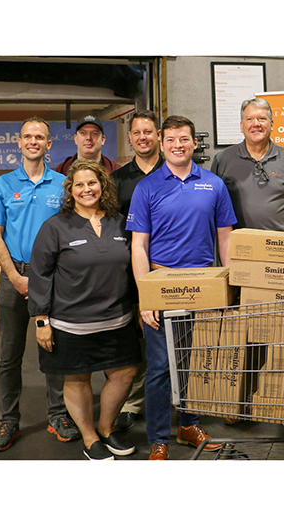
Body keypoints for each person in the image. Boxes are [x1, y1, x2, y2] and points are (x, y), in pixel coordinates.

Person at [127, 115, 237, 460]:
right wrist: (146, 297)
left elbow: (226, 238)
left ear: (194, 143)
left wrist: (229, 286)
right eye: (171, 139)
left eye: (184, 139)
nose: (178, 145)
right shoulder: (146, 188)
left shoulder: (214, 184)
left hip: (203, 283)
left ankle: (190, 425)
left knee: (195, 360)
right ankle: (159, 438)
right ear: (162, 143)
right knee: (160, 366)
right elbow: (139, 246)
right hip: (162, 284)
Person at [28, 160, 141, 460]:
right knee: (77, 379)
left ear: (102, 185)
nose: (86, 189)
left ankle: (105, 428)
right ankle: (89, 437)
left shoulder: (119, 222)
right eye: (79, 184)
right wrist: (42, 321)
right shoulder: (56, 226)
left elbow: (134, 266)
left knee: (126, 372)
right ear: (71, 190)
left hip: (118, 319)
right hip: (71, 324)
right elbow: (40, 274)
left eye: (92, 183)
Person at [0, 116, 77, 452]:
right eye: (28, 136)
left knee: (52, 349)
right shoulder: (3, 184)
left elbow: (70, 231)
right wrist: (13, 276)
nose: (34, 141)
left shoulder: (62, 184)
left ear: (49, 144)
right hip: (13, 275)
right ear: (20, 143)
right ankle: (9, 421)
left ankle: (58, 416)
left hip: (51, 277)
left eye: (40, 137)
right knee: (9, 356)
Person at [111, 110, 164, 433]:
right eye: (137, 132)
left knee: (169, 339)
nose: (143, 137)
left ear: (158, 135)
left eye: (148, 131)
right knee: (135, 342)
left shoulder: (173, 170)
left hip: (170, 269)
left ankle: (174, 401)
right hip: (129, 271)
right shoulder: (118, 180)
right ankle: (132, 403)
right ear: (130, 138)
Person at [210, 98, 284, 231]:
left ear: (272, 124)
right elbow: (213, 205)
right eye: (249, 119)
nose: (256, 124)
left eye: (262, 118)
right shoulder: (223, 160)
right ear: (241, 126)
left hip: (281, 246)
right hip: (239, 246)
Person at [56, 115, 122, 175]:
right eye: (83, 133)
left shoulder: (117, 172)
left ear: (103, 140)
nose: (88, 138)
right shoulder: (61, 171)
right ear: (75, 139)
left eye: (94, 133)